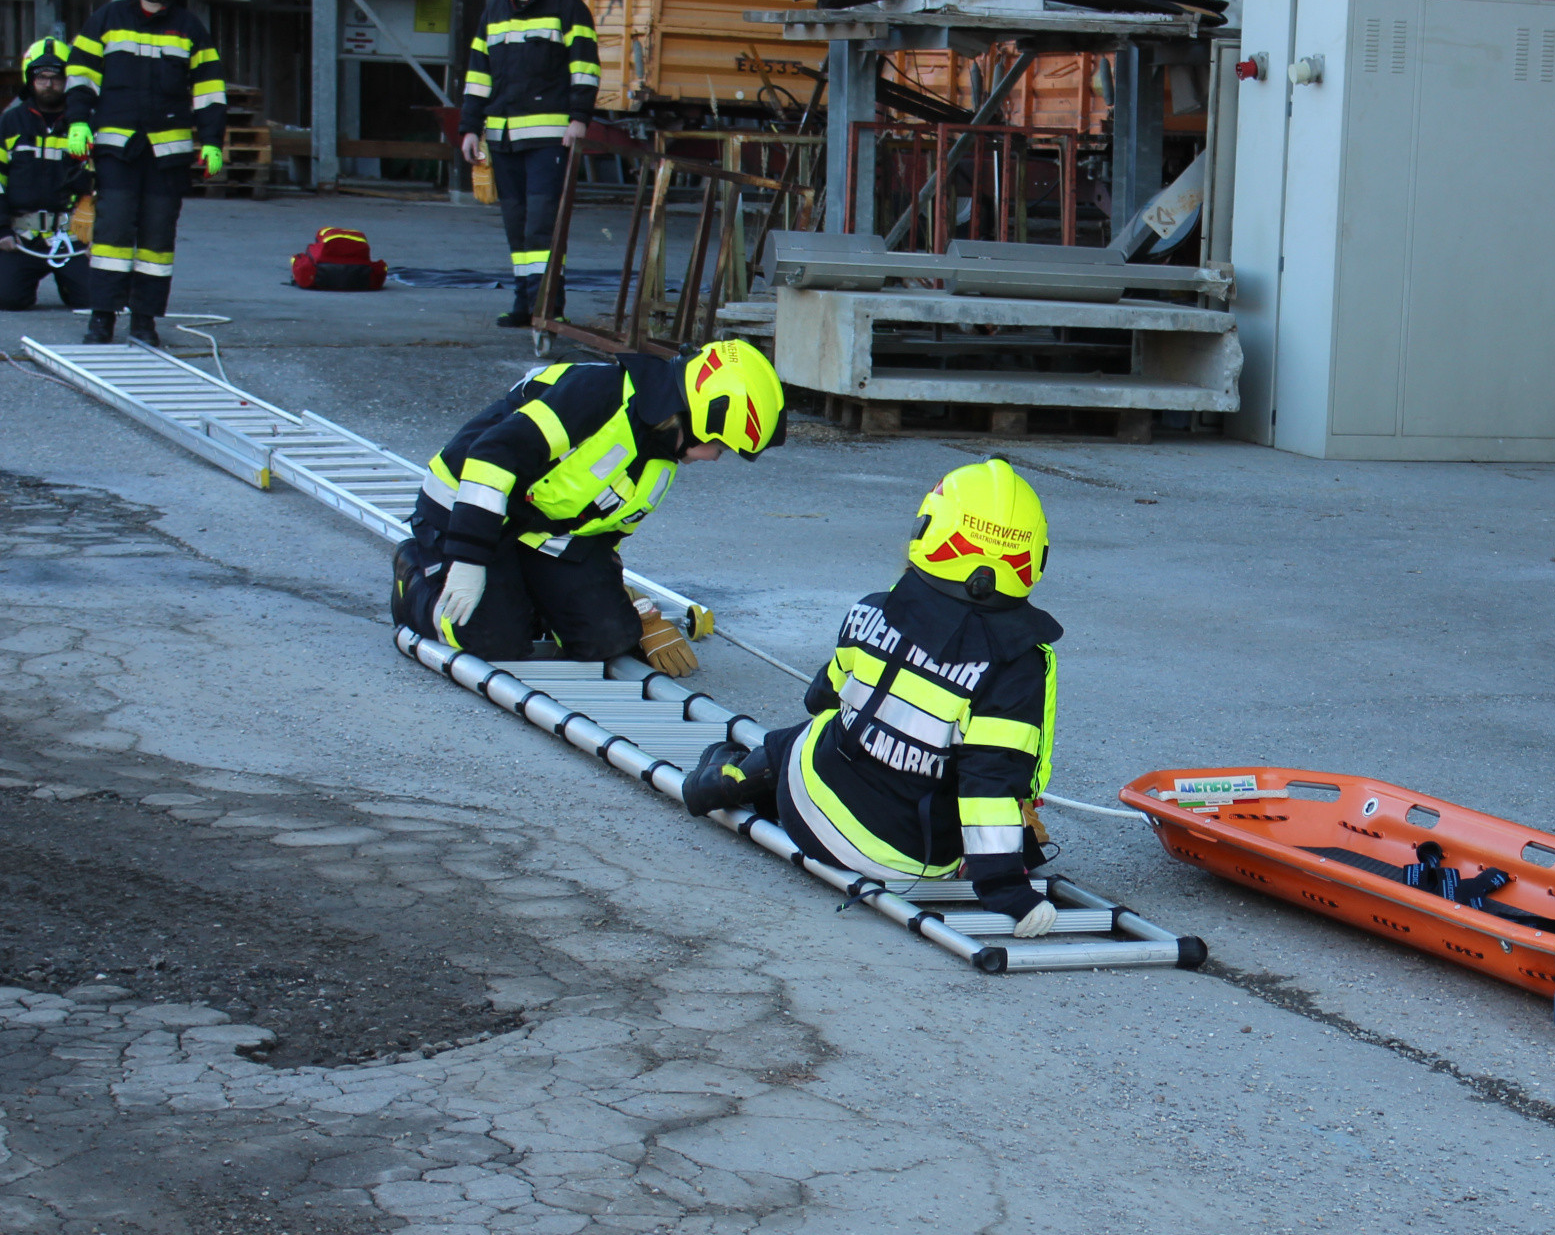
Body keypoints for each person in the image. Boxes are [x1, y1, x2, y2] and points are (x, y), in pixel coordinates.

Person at [680, 459, 1064, 938]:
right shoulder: (1017, 667)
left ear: (930, 529)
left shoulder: (873, 609)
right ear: (1033, 557)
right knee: (959, 773)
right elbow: (988, 785)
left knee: (817, 731)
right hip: (904, 862)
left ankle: (729, 778)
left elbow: (822, 696)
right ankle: (751, 776)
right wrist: (1008, 889)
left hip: (806, 806)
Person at [392, 337, 784, 668]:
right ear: (700, 420)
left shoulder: (660, 459)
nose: (716, 458)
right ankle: (412, 579)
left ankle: (519, 594)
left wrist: (630, 609)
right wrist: (469, 559)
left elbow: (602, 537)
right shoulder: (598, 394)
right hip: (465, 511)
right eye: (720, 447)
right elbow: (492, 456)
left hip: (534, 534)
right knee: (491, 639)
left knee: (609, 638)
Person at [63, 0, 224, 347]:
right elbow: (80, 76)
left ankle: (144, 322)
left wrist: (211, 140)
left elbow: (209, 90)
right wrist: (78, 122)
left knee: (157, 241)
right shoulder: (105, 20)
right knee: (112, 234)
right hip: (117, 151)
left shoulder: (190, 28)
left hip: (167, 156)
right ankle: (102, 319)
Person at [457, 0, 600, 328]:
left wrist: (579, 118)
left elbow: (585, 66)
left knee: (542, 225)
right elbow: (478, 76)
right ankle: (525, 304)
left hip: (550, 139)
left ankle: (547, 307)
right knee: (517, 227)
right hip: (503, 139)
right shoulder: (494, 11)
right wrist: (470, 127)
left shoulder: (566, 5)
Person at [0, 37, 93, 312]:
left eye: (56, 77)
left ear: (68, 80)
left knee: (94, 300)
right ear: (30, 79)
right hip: (22, 238)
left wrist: (100, 233)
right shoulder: (10, 122)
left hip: (73, 237)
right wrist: (2, 229)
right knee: (7, 298)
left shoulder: (85, 125)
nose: (49, 84)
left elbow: (104, 181)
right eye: (42, 77)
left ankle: (72, 283)